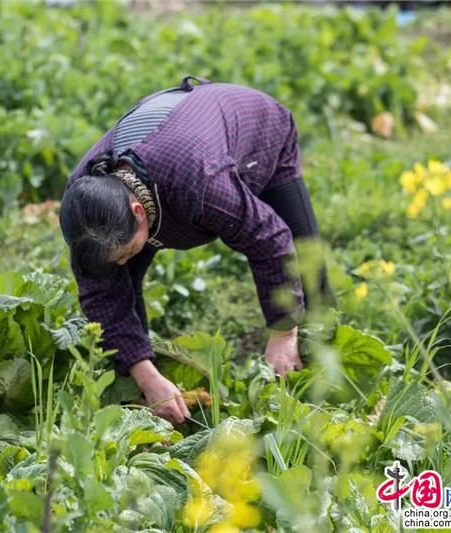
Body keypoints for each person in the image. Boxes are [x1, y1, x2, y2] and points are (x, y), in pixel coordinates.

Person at [59, 76, 330, 425]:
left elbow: (269, 237)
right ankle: (147, 392)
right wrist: (145, 373)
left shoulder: (198, 181)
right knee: (116, 282)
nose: (123, 260)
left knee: (306, 258)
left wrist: (284, 331)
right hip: (173, 146)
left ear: (138, 212)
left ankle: (322, 369)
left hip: (258, 131)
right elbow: (101, 293)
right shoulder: (85, 209)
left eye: (126, 250)